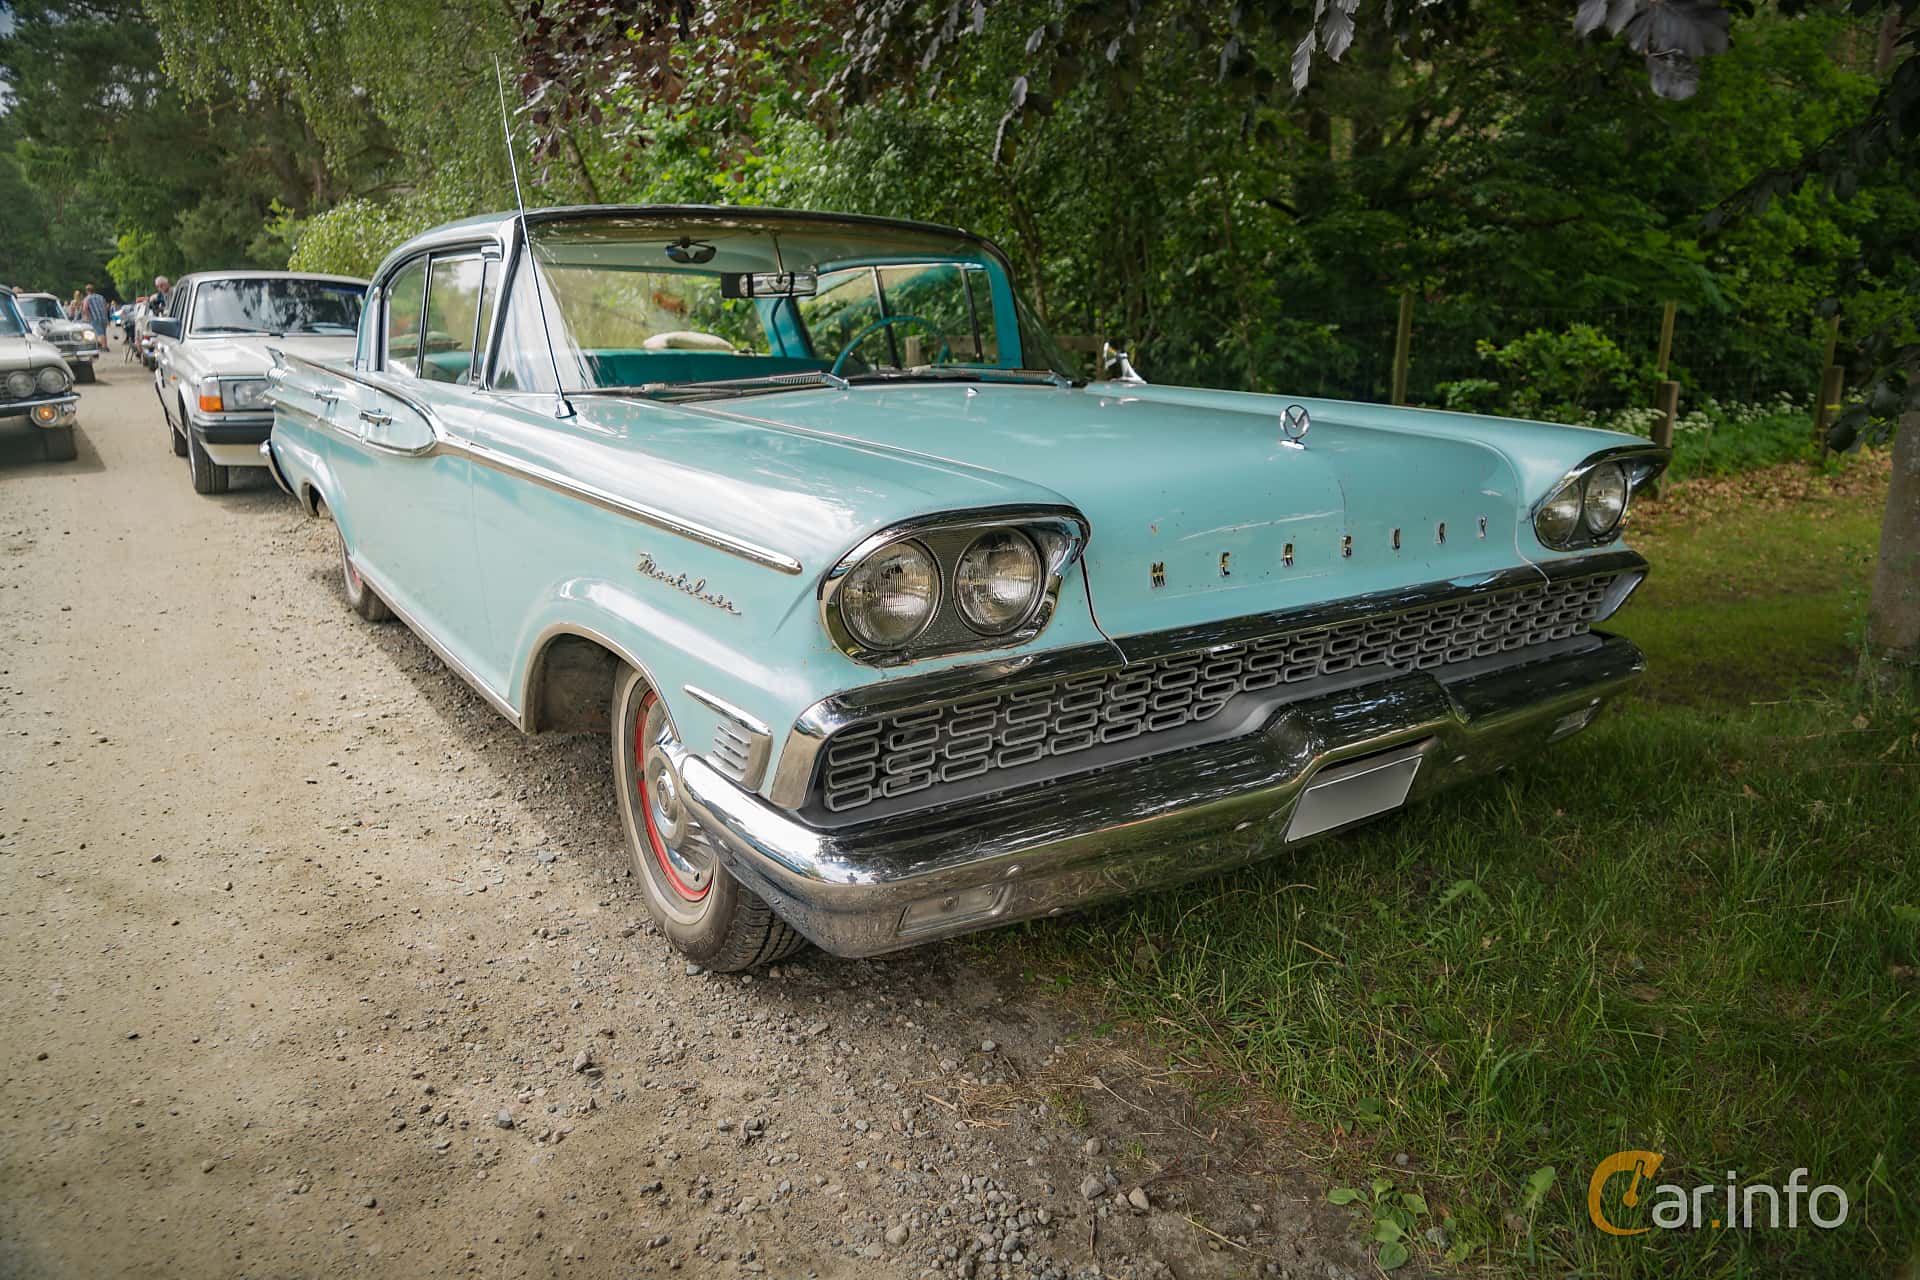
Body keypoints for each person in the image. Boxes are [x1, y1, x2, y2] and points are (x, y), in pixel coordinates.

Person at [83, 284, 111, 348]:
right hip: (103, 318)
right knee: (103, 333)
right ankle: (106, 346)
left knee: (100, 333)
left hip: (95, 318)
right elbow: (105, 307)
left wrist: (87, 317)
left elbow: (85, 309)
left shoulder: (87, 298)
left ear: (87, 291)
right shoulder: (101, 297)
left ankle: (104, 347)